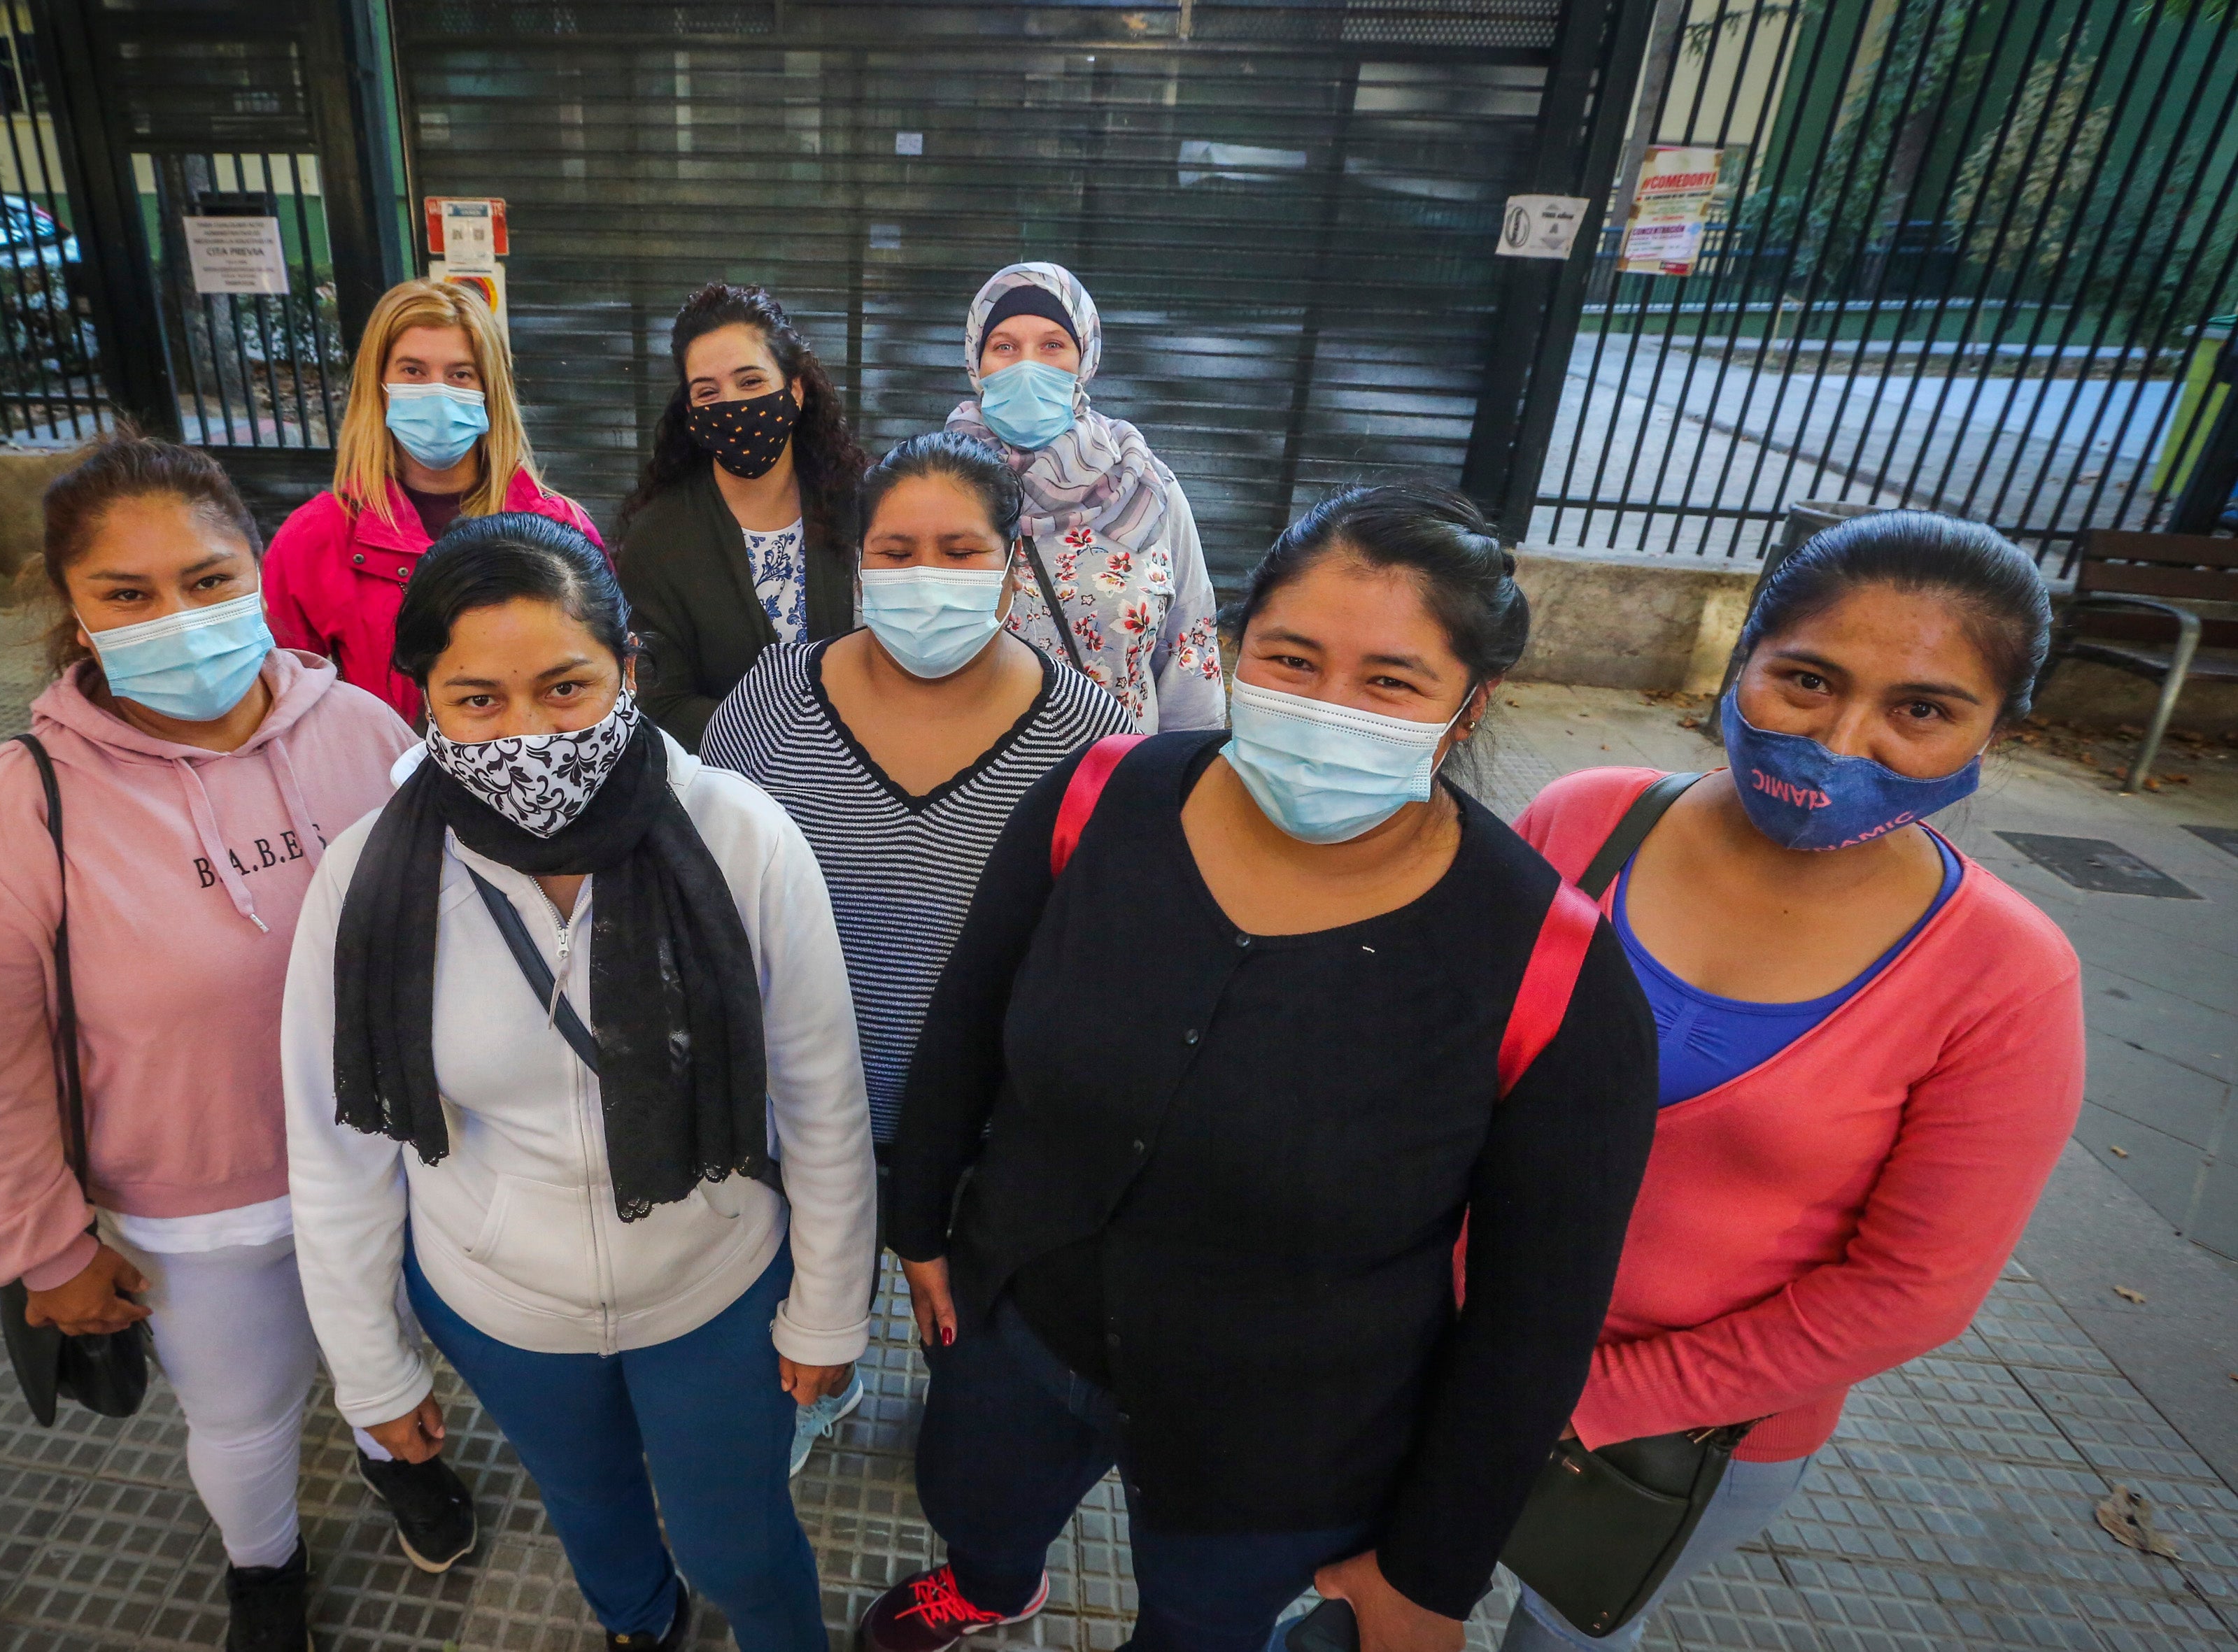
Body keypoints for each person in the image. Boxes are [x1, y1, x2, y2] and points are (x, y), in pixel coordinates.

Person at [862, 484, 1660, 1652]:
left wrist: (1431, 1573)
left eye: (1389, 680)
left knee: (1200, 1629)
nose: (1327, 707)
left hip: (1287, 1427)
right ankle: (991, 1584)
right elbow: (968, 1021)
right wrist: (921, 1222)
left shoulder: (1551, 966)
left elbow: (1531, 1323)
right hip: (1020, 1322)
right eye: (1288, 657)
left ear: (1470, 704)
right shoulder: (1099, 798)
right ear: (1232, 651)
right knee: (976, 1506)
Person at [0, 433, 477, 1652]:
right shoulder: (15, 811)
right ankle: (262, 1566)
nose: (178, 614)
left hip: (384, 1167)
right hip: (197, 1208)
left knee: (388, 1349)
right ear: (71, 608)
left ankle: (396, 1456)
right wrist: (42, 1248)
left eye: (208, 580)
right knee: (244, 1407)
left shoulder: (361, 730)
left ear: (258, 568)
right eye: (129, 593)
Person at [281, 513, 877, 1652]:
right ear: (426, 699)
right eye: (478, 700)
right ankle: (634, 1625)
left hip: (711, 1284)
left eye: (565, 687)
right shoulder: (367, 879)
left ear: (628, 672)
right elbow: (337, 1144)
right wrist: (371, 1366)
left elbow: (820, 1094)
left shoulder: (742, 838)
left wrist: (829, 1301)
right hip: (498, 1301)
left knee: (739, 1547)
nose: (524, 734)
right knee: (592, 1515)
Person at [1500, 513, 2084, 1651]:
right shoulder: (1582, 821)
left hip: (1680, 1440)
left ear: (1994, 731)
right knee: (1349, 1601)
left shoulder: (2006, 979)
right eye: (1806, 679)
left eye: (1920, 709)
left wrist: (1600, 1397)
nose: (1840, 738)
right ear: (1742, 663)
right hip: (1439, 1349)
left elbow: (1909, 1288)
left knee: (1560, 1634)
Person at [702, 432, 1133, 1474]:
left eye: (956, 548)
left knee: (969, 1350)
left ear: (1009, 554)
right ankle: (828, 1379)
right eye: (895, 551)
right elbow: (700, 871)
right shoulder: (773, 694)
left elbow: (1106, 956)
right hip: (795, 1110)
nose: (923, 576)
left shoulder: (1091, 735)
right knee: (810, 1299)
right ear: (857, 559)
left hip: (989, 1131)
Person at [262, 277, 604, 726]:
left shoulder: (559, 527)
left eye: (460, 374)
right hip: (386, 784)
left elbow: (601, 677)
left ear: (489, 389)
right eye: (413, 372)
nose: (437, 391)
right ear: (378, 386)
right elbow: (289, 708)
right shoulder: (315, 539)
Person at [946, 262, 1221, 734]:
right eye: (1004, 347)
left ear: (1084, 358)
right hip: (971, 779)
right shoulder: (935, 485)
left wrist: (1184, 781)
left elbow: (1189, 643)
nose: (1027, 366)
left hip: (1113, 782)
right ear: (977, 361)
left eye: (1052, 345)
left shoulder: (1143, 485)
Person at [617, 283, 870, 746]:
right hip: (727, 797)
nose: (731, 405)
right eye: (707, 392)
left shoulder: (864, 509)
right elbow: (660, 704)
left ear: (794, 390)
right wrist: (792, 742)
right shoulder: (658, 541)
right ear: (689, 410)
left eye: (750, 382)